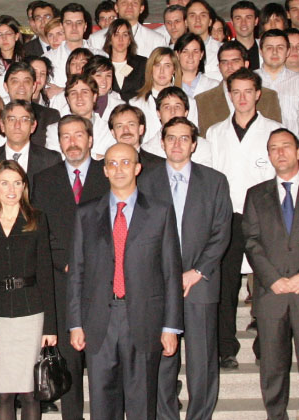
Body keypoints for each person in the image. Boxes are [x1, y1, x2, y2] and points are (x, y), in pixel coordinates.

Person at [67, 142, 183, 420]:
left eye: (126, 162)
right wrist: (75, 323)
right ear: (105, 170)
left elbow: (170, 272)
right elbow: (77, 273)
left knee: (142, 404)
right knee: (102, 405)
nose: (119, 169)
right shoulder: (86, 214)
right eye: (112, 163)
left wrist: (170, 326)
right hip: (98, 322)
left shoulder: (160, 212)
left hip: (144, 320)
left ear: (138, 168)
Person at [138, 116, 232, 420]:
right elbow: (140, 233)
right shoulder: (145, 181)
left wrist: (197, 271)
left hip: (201, 281)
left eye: (184, 138)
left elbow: (222, 231)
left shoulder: (215, 181)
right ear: (162, 142)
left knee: (202, 359)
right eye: (171, 138)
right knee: (162, 358)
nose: (177, 144)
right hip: (158, 284)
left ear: (194, 144)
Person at [32, 114, 110, 420]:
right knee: (70, 363)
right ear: (58, 141)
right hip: (61, 282)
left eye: (79, 135)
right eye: (66, 136)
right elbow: (39, 231)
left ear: (90, 140)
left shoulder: (108, 175)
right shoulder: (45, 179)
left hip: (103, 282)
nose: (73, 141)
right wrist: (63, 261)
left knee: (104, 363)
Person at [206, 68, 283, 370]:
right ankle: (226, 347)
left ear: (258, 94)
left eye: (247, 91)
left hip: (265, 218)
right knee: (224, 287)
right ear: (229, 94)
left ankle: (267, 345)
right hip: (228, 217)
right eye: (235, 91)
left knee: (265, 285)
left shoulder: (274, 130)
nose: (241, 98)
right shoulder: (215, 132)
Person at [0, 160, 56, 420]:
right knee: (3, 394)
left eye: (17, 182)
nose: (11, 189)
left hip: (31, 313)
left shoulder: (37, 219)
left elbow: (46, 273)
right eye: (4, 182)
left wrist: (51, 326)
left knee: (29, 393)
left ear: (24, 186)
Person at [242, 128, 299, 420]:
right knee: (273, 367)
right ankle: (276, 416)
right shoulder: (256, 194)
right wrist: (273, 279)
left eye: (286, 146)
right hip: (271, 293)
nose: (280, 152)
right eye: (274, 148)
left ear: (297, 151)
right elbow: (251, 241)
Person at [0, 100, 61, 208]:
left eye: (24, 119)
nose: (17, 125)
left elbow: (55, 205)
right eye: (11, 119)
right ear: (2, 125)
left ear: (33, 126)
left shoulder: (51, 160)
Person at [195, 41, 283, 137]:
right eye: (224, 62)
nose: (229, 66)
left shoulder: (268, 96)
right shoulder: (203, 100)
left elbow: (277, 136)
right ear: (219, 67)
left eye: (235, 61)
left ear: (246, 64)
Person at [45, 74, 115, 159]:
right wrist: (96, 156)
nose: (79, 97)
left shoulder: (109, 130)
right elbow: (55, 160)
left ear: (94, 97)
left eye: (84, 92)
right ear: (68, 99)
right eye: (73, 93)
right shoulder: (54, 130)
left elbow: (112, 159)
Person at [141, 86, 212, 167]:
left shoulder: (202, 146)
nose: (172, 112)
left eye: (177, 107)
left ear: (186, 112)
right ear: (158, 113)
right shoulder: (148, 150)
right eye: (167, 107)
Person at [46, 3, 105, 89]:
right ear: (62, 26)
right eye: (69, 23)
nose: (74, 27)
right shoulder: (48, 59)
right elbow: (47, 93)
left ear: (85, 27)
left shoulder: (101, 56)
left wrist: (61, 91)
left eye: (79, 23)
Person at [3, 62, 60, 147]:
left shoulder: (50, 116)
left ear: (33, 87)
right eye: (15, 81)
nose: (21, 86)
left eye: (26, 81)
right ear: (6, 86)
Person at [255, 29, 299, 136]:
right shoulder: (249, 80)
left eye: (280, 47)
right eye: (269, 48)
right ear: (261, 51)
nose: (274, 52)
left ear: (288, 52)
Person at [87, 0, 166, 57]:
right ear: (116, 7)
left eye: (134, 3)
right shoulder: (96, 39)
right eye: (124, 2)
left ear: (141, 8)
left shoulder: (157, 40)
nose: (129, 6)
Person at [108, 103, 166, 170]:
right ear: (113, 133)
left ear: (141, 129)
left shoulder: (158, 166)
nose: (126, 130)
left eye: (131, 124)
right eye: (119, 126)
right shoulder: (103, 167)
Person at [103, 18, 147, 101]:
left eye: (125, 35)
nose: (121, 39)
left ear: (130, 40)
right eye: (116, 34)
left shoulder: (142, 64)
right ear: (110, 39)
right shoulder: (102, 65)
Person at [174, 33, 220, 98]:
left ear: (201, 54)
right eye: (185, 51)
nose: (190, 56)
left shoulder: (214, 86)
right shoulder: (169, 86)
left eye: (195, 51)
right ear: (177, 54)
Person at [185, 0, 222, 79]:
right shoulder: (174, 50)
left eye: (203, 15)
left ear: (210, 22)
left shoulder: (222, 49)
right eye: (192, 15)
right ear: (186, 22)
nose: (198, 20)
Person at [82, 55, 125, 122]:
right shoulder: (77, 103)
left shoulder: (120, 106)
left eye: (108, 76)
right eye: (98, 75)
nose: (104, 81)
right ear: (87, 77)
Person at [232, 1, 261, 71]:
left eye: (248, 17)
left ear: (256, 21)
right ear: (232, 22)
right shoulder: (223, 51)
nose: (243, 23)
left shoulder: (266, 48)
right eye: (238, 18)